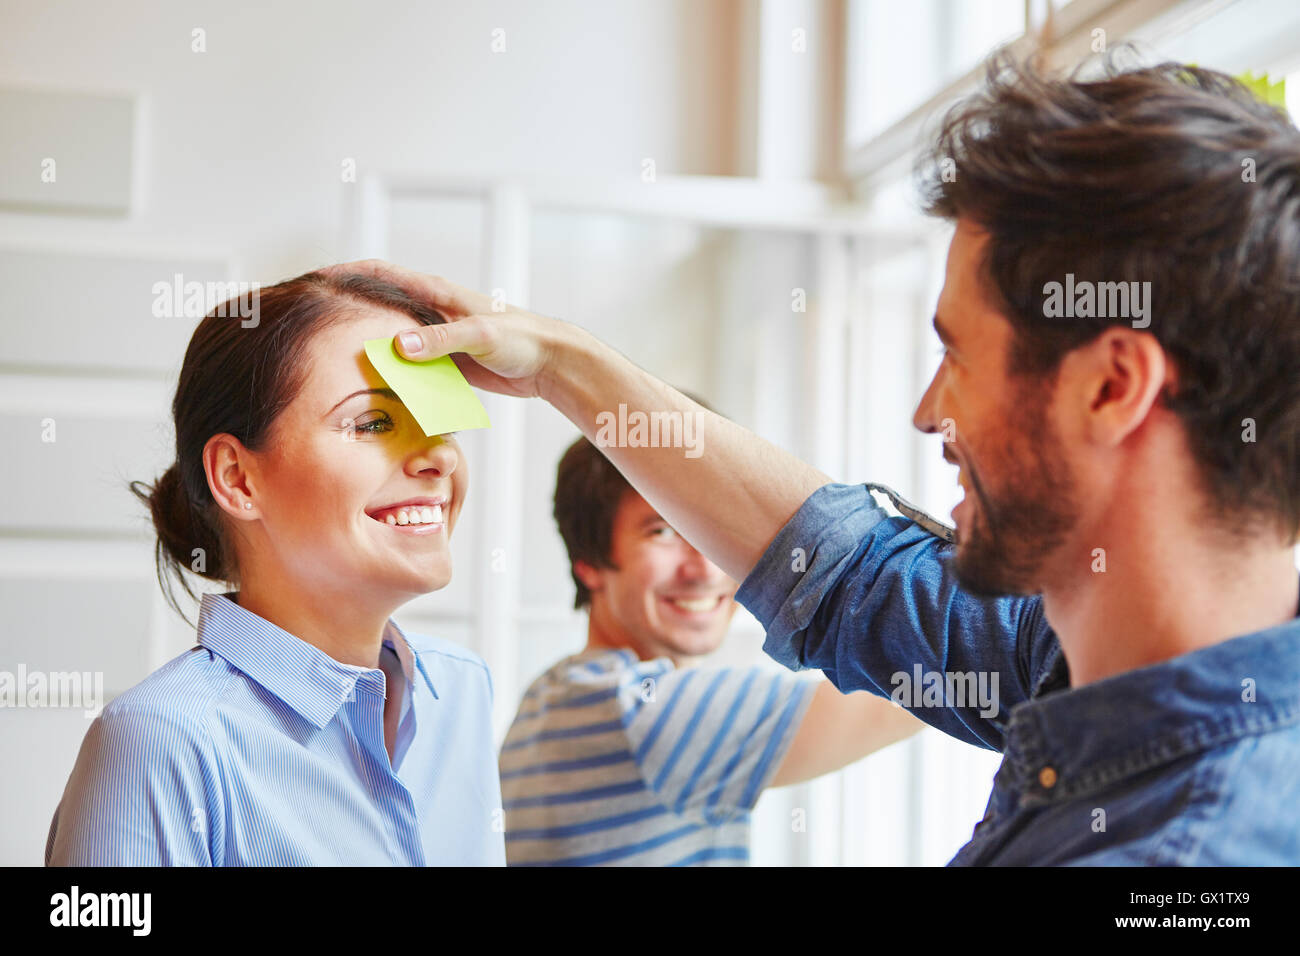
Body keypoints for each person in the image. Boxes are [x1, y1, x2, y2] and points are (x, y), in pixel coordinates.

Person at [327, 50, 1300, 865]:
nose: (928, 411)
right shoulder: (1081, 654)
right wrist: (559, 365)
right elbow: (848, 573)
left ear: (1109, 385)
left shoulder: (1187, 857)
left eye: (955, 353)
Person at [46, 271, 503, 865]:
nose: (441, 455)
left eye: (442, 422)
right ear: (238, 478)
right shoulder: (158, 741)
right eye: (372, 423)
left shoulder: (462, 691)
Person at [500, 431, 922, 866]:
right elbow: (923, 684)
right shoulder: (637, 710)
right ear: (588, 563)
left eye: (713, 527)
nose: (703, 566)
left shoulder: (554, 693)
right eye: (661, 531)